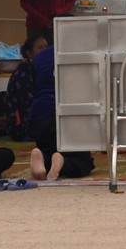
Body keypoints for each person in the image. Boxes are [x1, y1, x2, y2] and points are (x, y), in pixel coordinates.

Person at [22, 40, 93, 180]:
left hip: (39, 115)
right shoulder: (81, 54)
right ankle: (62, 162)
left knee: (48, 150)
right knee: (85, 162)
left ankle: (42, 157)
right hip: (69, 113)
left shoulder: (41, 56)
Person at [0, 35, 45, 140]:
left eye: (46, 47)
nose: (44, 51)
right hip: (23, 123)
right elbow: (26, 103)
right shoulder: (24, 71)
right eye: (40, 48)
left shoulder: (41, 68)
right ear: (29, 53)